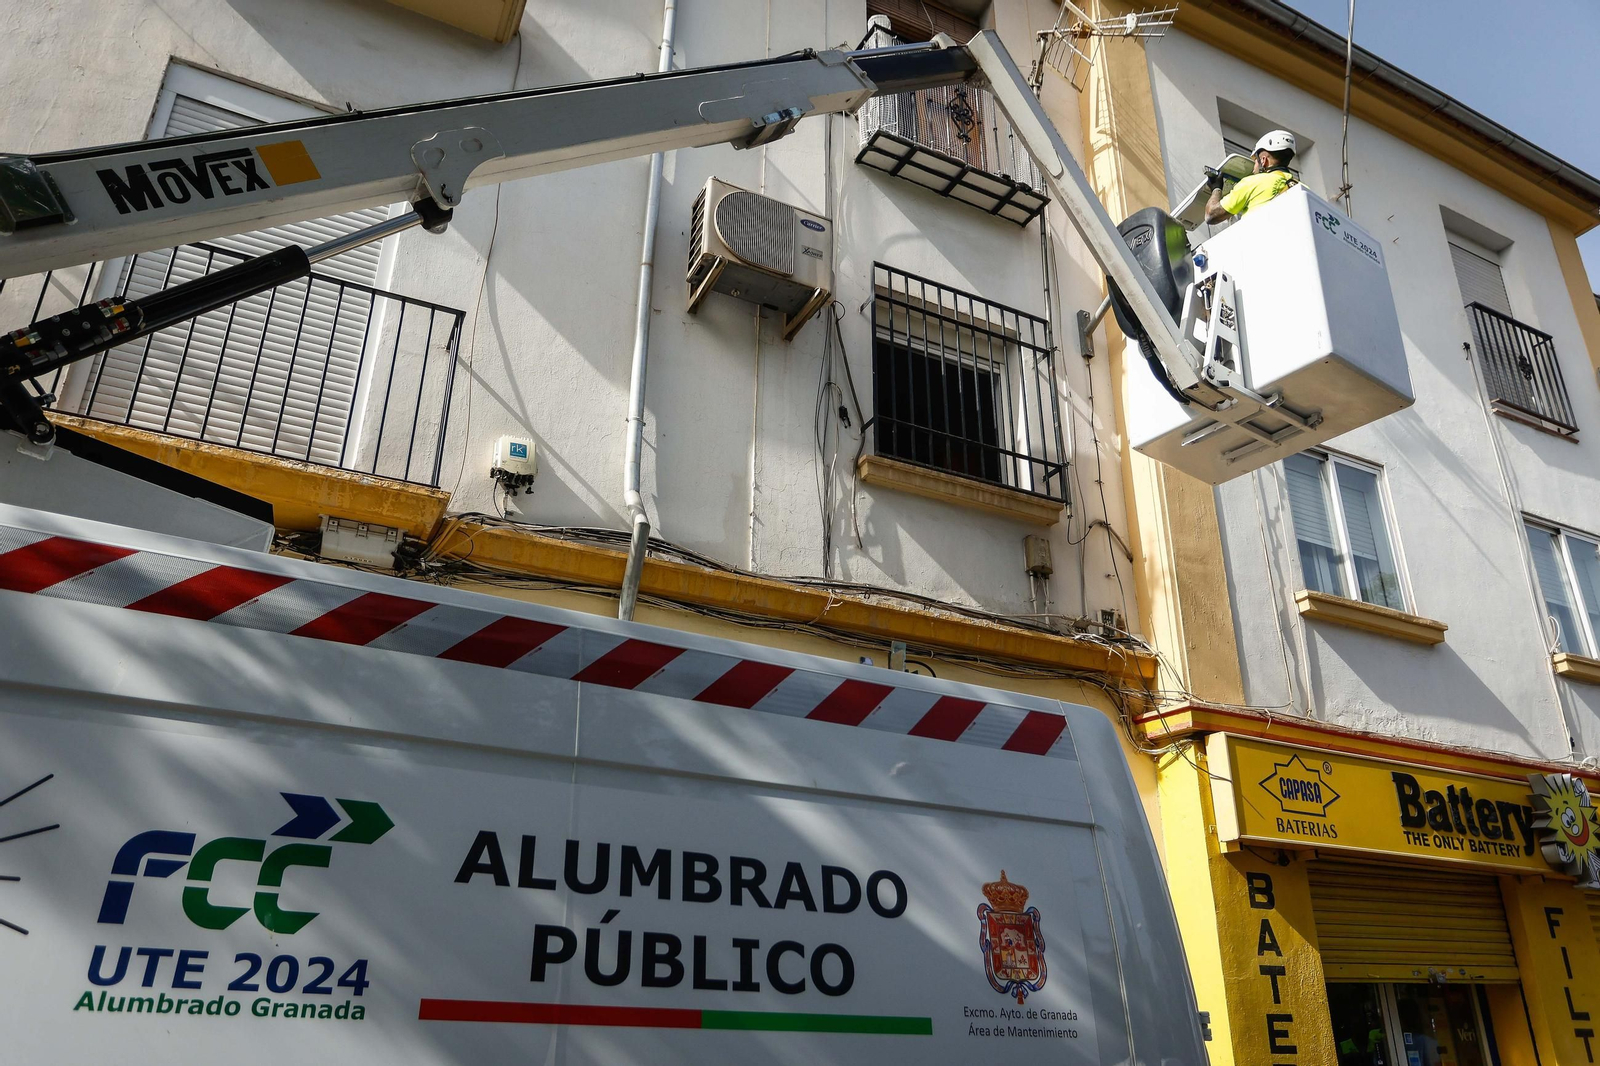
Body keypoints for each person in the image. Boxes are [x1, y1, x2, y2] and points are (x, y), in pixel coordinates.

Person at [1204, 129, 1299, 225]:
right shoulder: (1301, 187)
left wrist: (1216, 188)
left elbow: (1211, 215)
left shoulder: (1252, 182)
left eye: (1255, 161)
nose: (1253, 169)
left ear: (1263, 160)